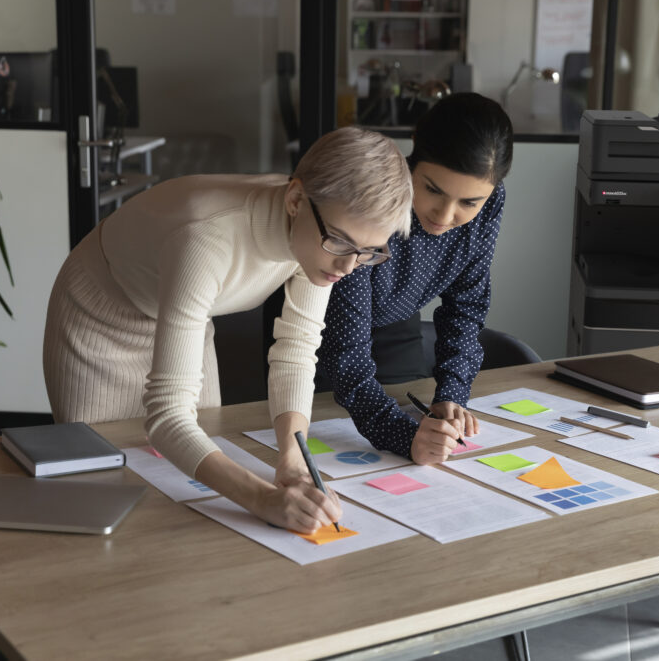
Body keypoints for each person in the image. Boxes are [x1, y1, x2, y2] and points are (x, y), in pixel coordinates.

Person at [43, 127, 413, 533]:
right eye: (342, 243)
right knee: (112, 489)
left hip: (188, 312)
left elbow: (296, 350)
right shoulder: (205, 239)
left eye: (368, 252)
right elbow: (168, 417)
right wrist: (262, 499)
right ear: (294, 200)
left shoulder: (323, 239)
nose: (348, 266)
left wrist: (291, 458)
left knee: (189, 493)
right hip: (102, 316)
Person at [317, 93, 514, 466]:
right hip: (319, 331)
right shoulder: (368, 197)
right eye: (433, 190)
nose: (446, 215)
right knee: (327, 445)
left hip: (396, 323)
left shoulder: (490, 202)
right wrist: (404, 437)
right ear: (412, 162)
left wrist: (452, 395)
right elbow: (345, 356)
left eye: (469, 202)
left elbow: (466, 305)